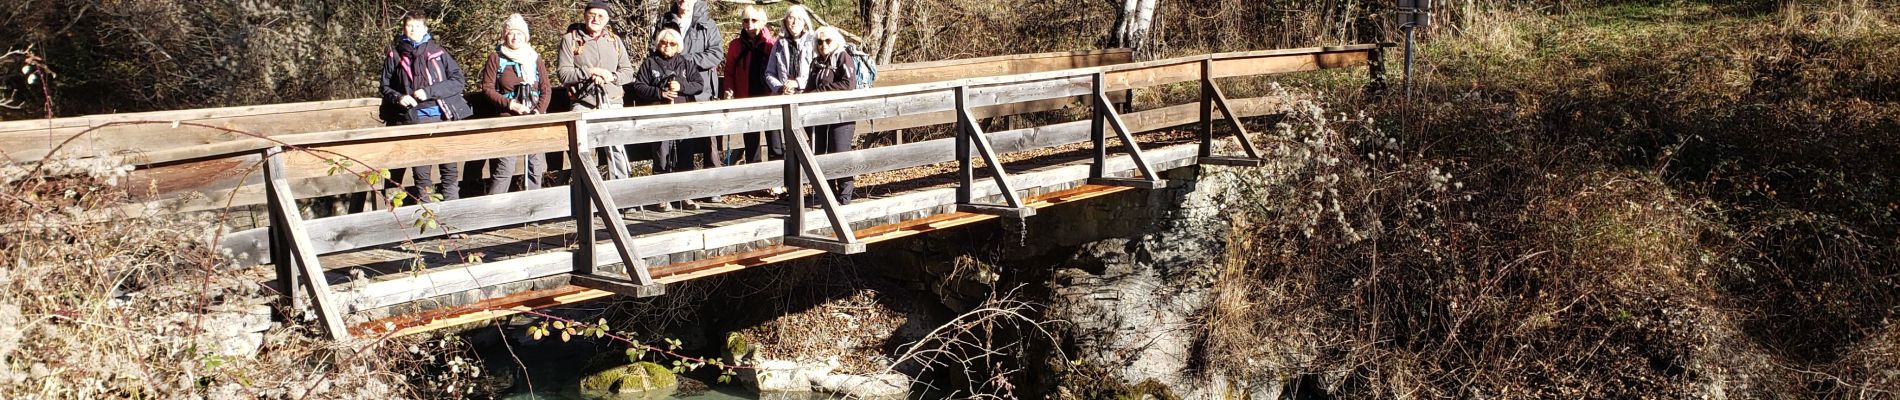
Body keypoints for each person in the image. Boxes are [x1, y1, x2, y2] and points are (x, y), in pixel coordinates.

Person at [379, 10, 474, 203]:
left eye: (417, 26)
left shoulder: (438, 52)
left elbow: (457, 80)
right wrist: (399, 97)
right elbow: (384, 86)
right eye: (409, 26)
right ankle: (429, 218)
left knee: (449, 170)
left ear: (425, 28)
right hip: (413, 119)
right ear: (404, 29)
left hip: (443, 116)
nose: (413, 29)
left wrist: (429, 92)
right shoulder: (395, 55)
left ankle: (452, 217)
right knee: (421, 173)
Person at [558, 1, 637, 179]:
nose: (595, 19)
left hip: (612, 101)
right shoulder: (570, 40)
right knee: (582, 150)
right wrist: (590, 72)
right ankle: (586, 197)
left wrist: (611, 76)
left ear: (607, 20)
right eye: (591, 15)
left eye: (601, 16)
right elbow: (564, 74)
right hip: (583, 103)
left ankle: (622, 197)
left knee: (616, 149)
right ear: (585, 16)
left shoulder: (614, 41)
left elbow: (628, 72)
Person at [628, 29, 706, 211]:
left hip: (682, 115)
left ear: (678, 46)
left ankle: (686, 195)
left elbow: (699, 85)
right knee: (661, 153)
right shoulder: (650, 63)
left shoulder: (685, 63)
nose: (667, 46)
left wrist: (681, 86)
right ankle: (661, 196)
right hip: (659, 115)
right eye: (664, 43)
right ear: (658, 44)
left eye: (672, 43)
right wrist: (659, 93)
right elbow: (639, 86)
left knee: (685, 152)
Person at [480, 13, 554, 195]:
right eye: (511, 33)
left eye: (519, 34)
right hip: (508, 118)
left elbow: (546, 88)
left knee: (535, 166)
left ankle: (534, 212)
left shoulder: (534, 57)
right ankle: (495, 213)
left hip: (534, 117)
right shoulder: (496, 57)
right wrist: (510, 105)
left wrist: (538, 112)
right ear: (505, 35)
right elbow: (487, 88)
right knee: (505, 167)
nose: (515, 37)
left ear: (525, 36)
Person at [803, 26, 860, 205]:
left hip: (842, 114)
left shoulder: (843, 57)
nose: (823, 45)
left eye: (828, 41)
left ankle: (844, 197)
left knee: (840, 152)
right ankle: (827, 195)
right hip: (819, 116)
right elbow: (809, 89)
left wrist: (821, 91)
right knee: (821, 153)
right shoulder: (816, 63)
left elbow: (848, 84)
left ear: (835, 41)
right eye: (819, 42)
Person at [724, 6, 777, 164]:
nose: (749, 24)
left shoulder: (771, 44)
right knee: (751, 142)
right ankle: (756, 182)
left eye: (754, 20)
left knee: (775, 140)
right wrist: (728, 90)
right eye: (745, 20)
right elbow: (729, 72)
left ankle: (780, 180)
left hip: (769, 99)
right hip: (746, 98)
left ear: (762, 22)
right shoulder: (735, 45)